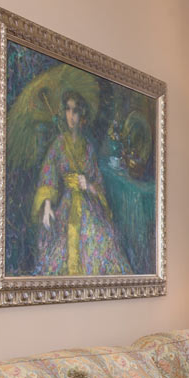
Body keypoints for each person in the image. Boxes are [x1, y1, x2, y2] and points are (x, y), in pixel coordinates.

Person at [32, 93, 132, 275]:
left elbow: (98, 184)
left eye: (76, 111)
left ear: (82, 116)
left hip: (88, 206)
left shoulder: (89, 148)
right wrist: (46, 205)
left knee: (100, 240)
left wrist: (88, 185)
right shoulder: (59, 144)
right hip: (66, 205)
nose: (71, 116)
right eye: (68, 110)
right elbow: (49, 173)